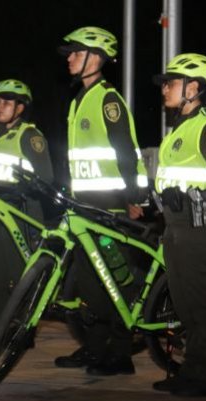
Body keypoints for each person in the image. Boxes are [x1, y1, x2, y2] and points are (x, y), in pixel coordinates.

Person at [53, 26, 148, 375]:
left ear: (96, 57)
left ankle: (120, 356)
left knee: (115, 281)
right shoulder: (79, 99)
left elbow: (128, 153)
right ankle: (94, 349)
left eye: (76, 53)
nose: (70, 59)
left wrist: (134, 197)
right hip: (85, 207)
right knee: (90, 286)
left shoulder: (108, 100)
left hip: (108, 208)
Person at [151, 53, 206, 397]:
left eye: (171, 82)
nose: (165, 89)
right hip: (177, 223)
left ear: (195, 87)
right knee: (184, 300)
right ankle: (192, 369)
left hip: (202, 223)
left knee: (201, 300)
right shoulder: (181, 127)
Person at [0, 79, 54, 345]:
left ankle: (22, 330)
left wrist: (22, 189)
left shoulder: (30, 136)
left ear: (21, 108)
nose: (0, 107)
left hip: (21, 211)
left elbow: (46, 177)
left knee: (19, 273)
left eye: (7, 102)